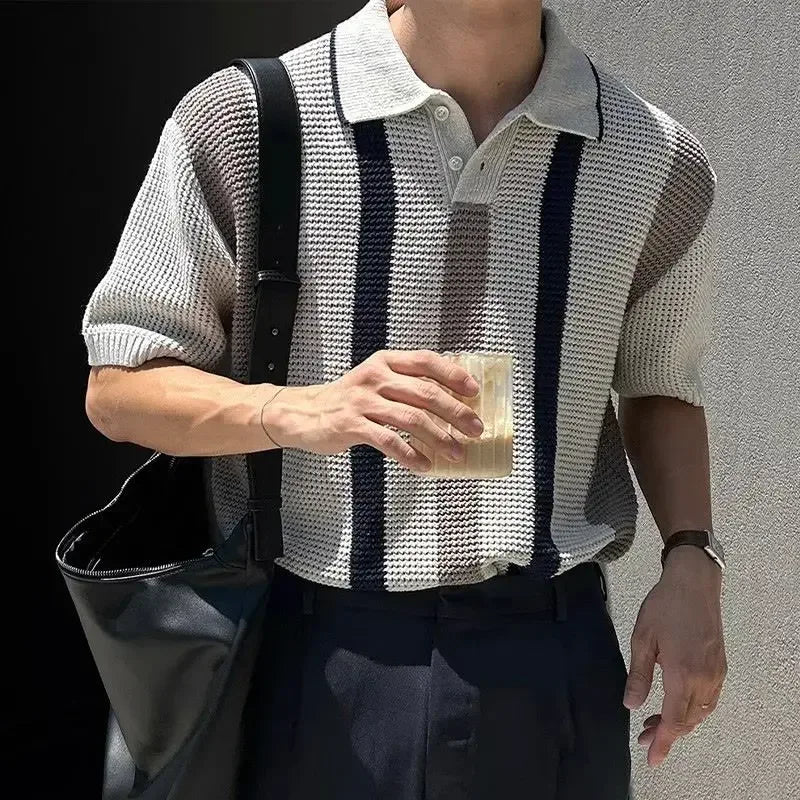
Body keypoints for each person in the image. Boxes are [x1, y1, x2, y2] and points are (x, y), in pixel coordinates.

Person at [81, 0, 727, 797]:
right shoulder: (248, 119)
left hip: (553, 664)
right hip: (313, 663)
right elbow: (120, 388)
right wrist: (289, 409)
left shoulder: (655, 158)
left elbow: (663, 384)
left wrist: (692, 555)